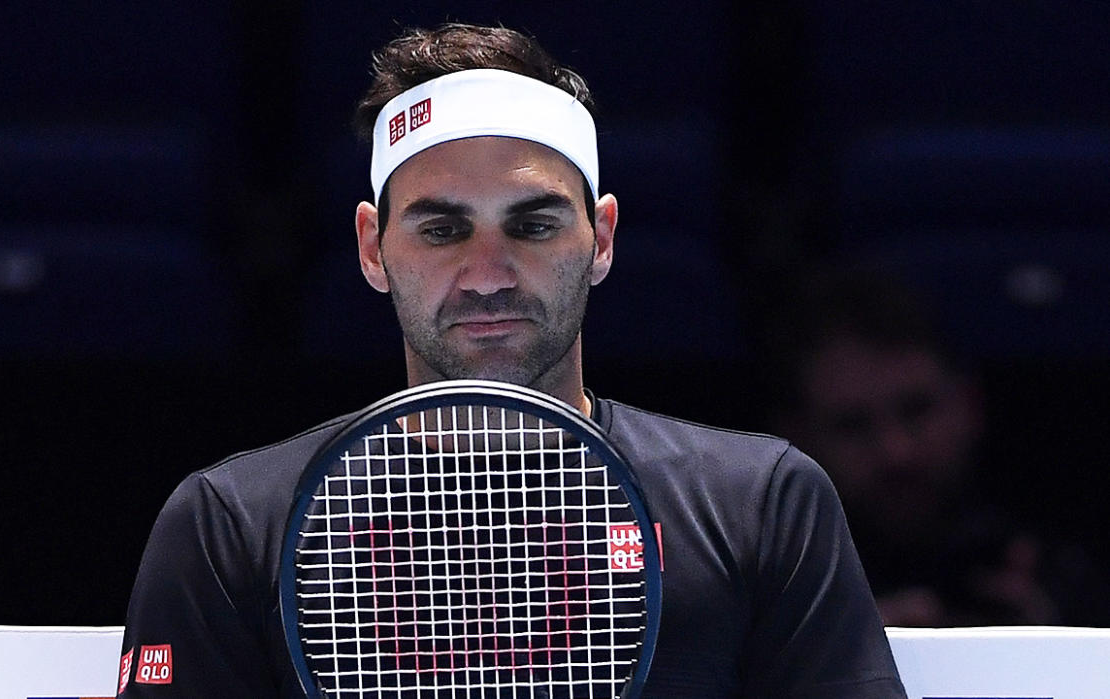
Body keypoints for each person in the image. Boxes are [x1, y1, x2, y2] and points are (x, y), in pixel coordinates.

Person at [115, 23, 904, 697]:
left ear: (600, 238)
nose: (488, 272)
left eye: (531, 225)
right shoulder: (229, 524)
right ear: (371, 247)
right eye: (441, 228)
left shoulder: (762, 503)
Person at [761, 268, 1110, 627]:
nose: (896, 452)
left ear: (970, 403)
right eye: (853, 425)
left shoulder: (1062, 573)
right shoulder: (762, 597)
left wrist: (1050, 650)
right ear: (795, 438)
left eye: (917, 410)